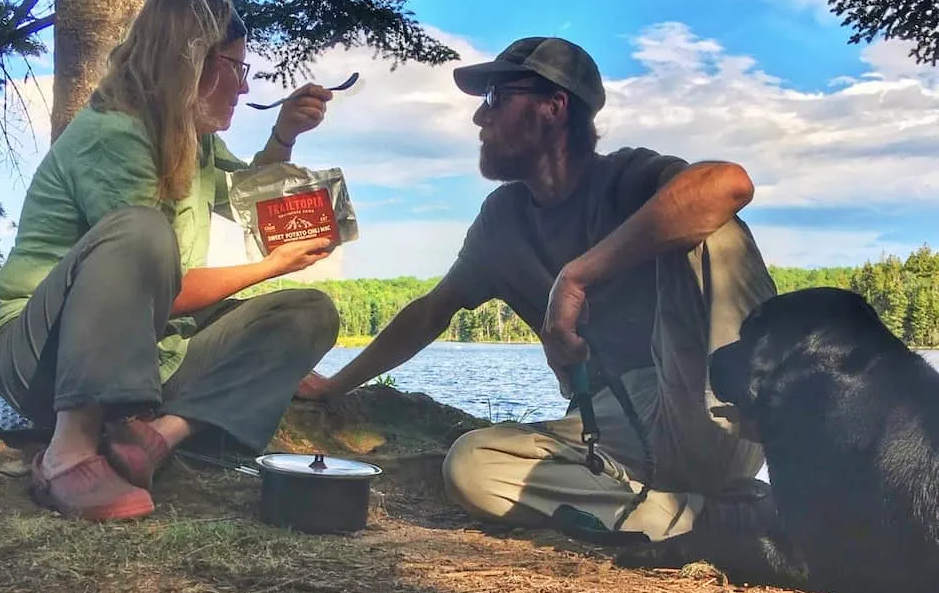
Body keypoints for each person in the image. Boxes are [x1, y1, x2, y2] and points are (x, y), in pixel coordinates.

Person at [298, 37, 777, 541]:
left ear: (553, 107)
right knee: (472, 466)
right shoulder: (503, 220)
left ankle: (730, 474)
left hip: (718, 407)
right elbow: (430, 312)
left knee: (709, 224)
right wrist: (332, 386)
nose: (479, 120)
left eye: (495, 99)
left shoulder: (628, 178)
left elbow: (730, 184)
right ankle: (699, 518)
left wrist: (578, 275)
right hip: (610, 428)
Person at [0, 0, 340, 522]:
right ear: (193, 60)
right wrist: (270, 266)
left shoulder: (189, 134)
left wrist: (285, 133)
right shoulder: (114, 134)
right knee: (140, 230)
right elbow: (159, 289)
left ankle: (158, 436)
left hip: (146, 359)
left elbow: (245, 193)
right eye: (236, 68)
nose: (243, 88)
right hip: (42, 359)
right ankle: (68, 452)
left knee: (308, 311)